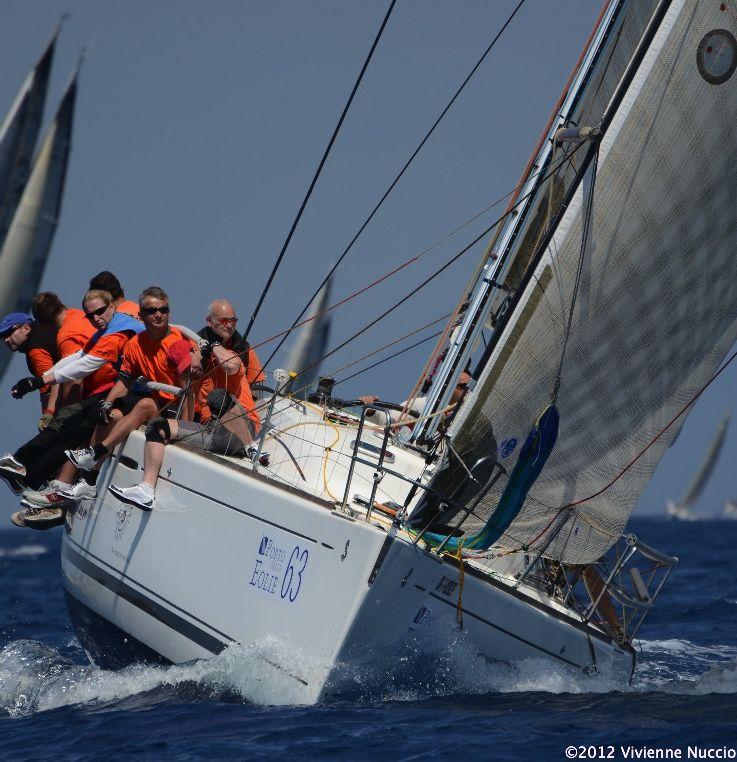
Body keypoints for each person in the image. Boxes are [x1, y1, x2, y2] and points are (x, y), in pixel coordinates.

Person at [2, 290, 144, 527]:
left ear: (112, 307)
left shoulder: (118, 331)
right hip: (121, 387)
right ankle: (34, 477)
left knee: (76, 424)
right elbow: (81, 355)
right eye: (91, 315)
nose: (95, 318)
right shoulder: (104, 328)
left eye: (100, 312)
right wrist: (41, 380)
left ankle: (40, 482)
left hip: (134, 390)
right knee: (76, 425)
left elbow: (87, 365)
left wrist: (42, 384)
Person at [61, 286, 199, 502]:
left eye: (163, 310)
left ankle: (96, 452)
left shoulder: (177, 345)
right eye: (152, 311)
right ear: (141, 315)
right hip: (157, 404)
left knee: (145, 404)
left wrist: (185, 428)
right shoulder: (135, 344)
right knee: (110, 414)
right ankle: (89, 480)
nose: (159, 314)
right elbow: (124, 381)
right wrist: (105, 405)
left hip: (177, 411)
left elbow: (189, 392)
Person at [108, 341, 258, 510]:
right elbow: (187, 423)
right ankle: (146, 490)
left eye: (189, 364)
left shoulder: (222, 361)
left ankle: (252, 448)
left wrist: (213, 345)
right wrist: (188, 385)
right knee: (157, 426)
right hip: (212, 433)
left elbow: (232, 366)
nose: (190, 370)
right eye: (184, 369)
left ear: (195, 350)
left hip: (242, 429)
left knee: (217, 398)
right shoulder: (195, 381)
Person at [0, 311, 60, 428]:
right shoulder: (43, 329)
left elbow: (51, 382)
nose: (6, 339)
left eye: (10, 332)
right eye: (3, 336)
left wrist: (47, 415)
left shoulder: (35, 351)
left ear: (27, 328)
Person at [359, 371, 472, 427]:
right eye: (463, 387)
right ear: (449, 386)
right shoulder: (423, 405)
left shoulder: (470, 415)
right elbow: (390, 422)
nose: (467, 391)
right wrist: (371, 412)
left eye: (470, 388)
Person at [197, 299, 265, 390]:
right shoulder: (194, 343)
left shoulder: (245, 349)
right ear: (209, 321)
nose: (229, 325)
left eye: (233, 320)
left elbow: (255, 387)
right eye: (223, 321)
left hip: (237, 403)